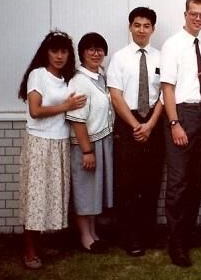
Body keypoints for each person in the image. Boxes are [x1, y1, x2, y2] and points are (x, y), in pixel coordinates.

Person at [18, 31, 86, 269]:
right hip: (39, 142)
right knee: (35, 197)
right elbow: (35, 111)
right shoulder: (38, 75)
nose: (59, 56)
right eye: (54, 51)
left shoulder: (67, 79)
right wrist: (65, 105)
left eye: (64, 51)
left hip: (60, 141)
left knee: (49, 196)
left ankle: (40, 243)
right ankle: (29, 250)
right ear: (45, 52)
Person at [107, 7, 165, 256]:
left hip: (153, 122)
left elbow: (165, 93)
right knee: (128, 184)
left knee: (151, 182)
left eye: (147, 26)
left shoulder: (161, 57)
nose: (142, 30)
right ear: (130, 27)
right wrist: (135, 125)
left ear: (153, 29)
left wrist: (150, 124)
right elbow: (116, 96)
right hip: (127, 122)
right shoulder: (119, 58)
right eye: (137, 25)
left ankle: (149, 234)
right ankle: (130, 238)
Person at [160, 0, 201, 267]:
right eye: (194, 13)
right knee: (178, 183)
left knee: (197, 179)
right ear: (185, 14)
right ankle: (176, 243)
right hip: (182, 114)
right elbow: (167, 87)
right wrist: (174, 123)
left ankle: (187, 233)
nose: (198, 18)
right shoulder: (172, 45)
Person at [66, 33, 114, 253]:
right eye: (90, 49)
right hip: (87, 145)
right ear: (82, 53)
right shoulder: (79, 81)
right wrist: (87, 151)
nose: (96, 54)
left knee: (95, 190)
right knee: (85, 190)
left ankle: (93, 233)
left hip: (102, 142)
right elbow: (77, 119)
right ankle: (85, 236)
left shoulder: (100, 76)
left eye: (100, 49)